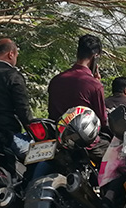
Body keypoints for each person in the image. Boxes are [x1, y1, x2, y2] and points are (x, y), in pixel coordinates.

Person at [47, 34, 110, 164]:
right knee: (118, 155)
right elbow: (102, 121)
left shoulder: (56, 80)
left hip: (57, 138)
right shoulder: (94, 85)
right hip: (85, 143)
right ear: (95, 57)